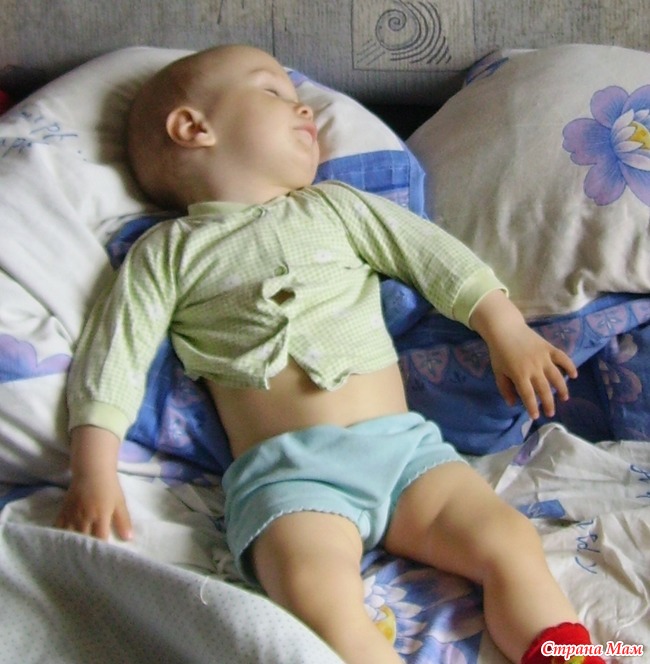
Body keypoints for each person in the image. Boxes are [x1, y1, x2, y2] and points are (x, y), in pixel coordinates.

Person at [55, 44, 605, 664]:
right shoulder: (167, 252)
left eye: (301, 100)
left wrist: (507, 330)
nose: (306, 109)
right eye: (273, 92)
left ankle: (567, 655)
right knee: (316, 595)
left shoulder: (337, 207)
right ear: (192, 127)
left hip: (406, 455)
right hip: (289, 479)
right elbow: (116, 353)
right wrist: (93, 470)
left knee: (509, 540)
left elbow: (433, 258)